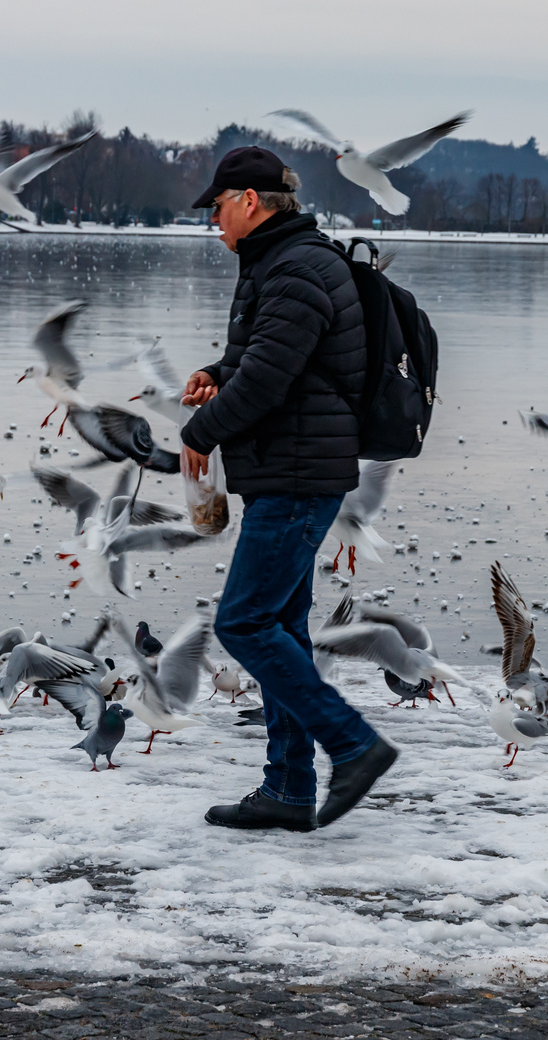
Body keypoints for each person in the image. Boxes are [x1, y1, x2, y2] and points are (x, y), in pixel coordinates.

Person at [180, 146, 399, 832]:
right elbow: (270, 358)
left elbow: (271, 380)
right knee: (279, 627)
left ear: (249, 201)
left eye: (216, 208)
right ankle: (290, 788)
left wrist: (199, 433)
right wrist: (219, 371)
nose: (212, 222)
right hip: (290, 467)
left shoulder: (297, 267)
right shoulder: (281, 262)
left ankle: (354, 745)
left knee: (243, 622)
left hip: (299, 474)